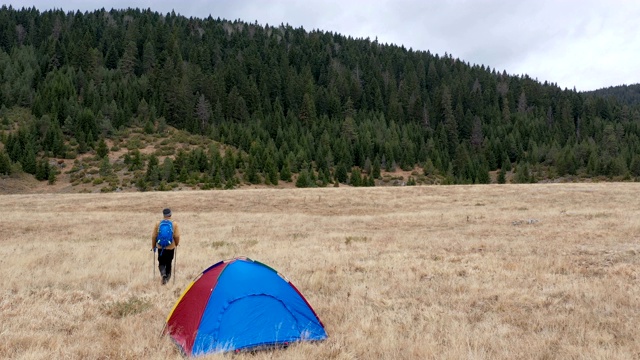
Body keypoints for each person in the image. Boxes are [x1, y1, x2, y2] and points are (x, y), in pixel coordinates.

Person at [152, 208, 180, 285]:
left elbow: (154, 236)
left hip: (161, 247)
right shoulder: (174, 224)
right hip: (170, 247)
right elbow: (177, 236)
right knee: (168, 263)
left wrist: (153, 246)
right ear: (170, 214)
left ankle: (163, 273)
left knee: (161, 262)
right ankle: (167, 278)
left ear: (163, 215)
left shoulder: (158, 223)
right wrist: (176, 244)